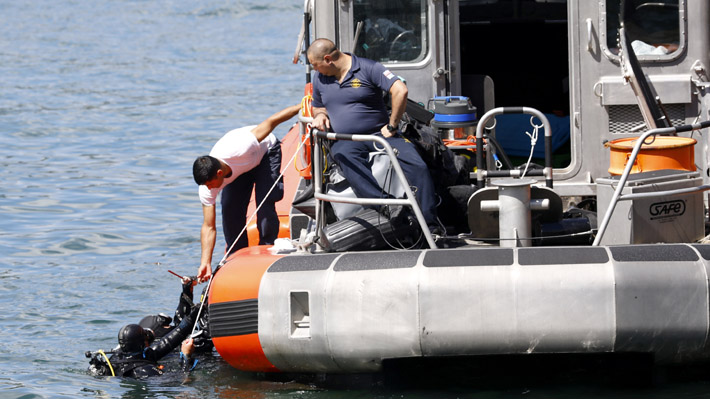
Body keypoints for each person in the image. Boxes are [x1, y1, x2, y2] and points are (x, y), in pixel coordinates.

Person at [306, 38, 439, 233]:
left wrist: (392, 125)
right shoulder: (319, 78)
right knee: (343, 156)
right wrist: (319, 116)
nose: (316, 70)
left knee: (416, 165)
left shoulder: (369, 68)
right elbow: (318, 106)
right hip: (346, 139)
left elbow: (400, 90)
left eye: (316, 66)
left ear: (328, 59)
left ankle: (431, 225)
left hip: (380, 134)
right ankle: (387, 206)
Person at [193, 105, 301, 283]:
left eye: (211, 185)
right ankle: (236, 258)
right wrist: (205, 262)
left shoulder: (242, 147)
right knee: (230, 211)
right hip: (241, 168)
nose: (210, 189)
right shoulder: (207, 185)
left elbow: (272, 121)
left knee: (265, 205)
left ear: (219, 174)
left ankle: (268, 250)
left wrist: (303, 105)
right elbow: (208, 226)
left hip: (265, 153)